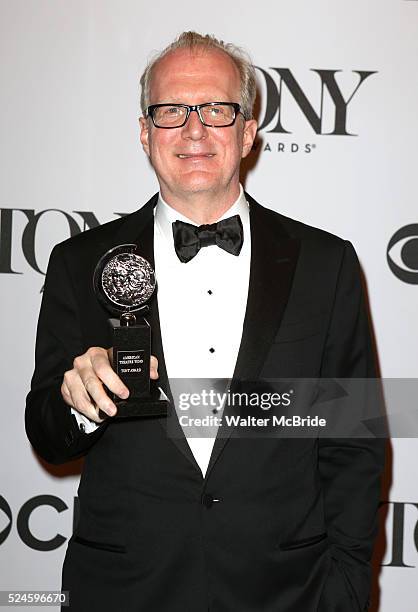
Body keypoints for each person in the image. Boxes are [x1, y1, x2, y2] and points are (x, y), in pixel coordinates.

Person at [25, 31, 385, 611]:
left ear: (247, 132)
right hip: (125, 591)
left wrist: (345, 586)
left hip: (287, 592)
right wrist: (77, 401)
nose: (194, 130)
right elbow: (47, 433)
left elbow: (354, 441)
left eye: (217, 109)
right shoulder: (80, 263)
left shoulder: (326, 263)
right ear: (146, 133)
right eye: (171, 111)